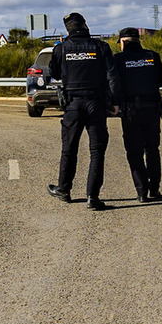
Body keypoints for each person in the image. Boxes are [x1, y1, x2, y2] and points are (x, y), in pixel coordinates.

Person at [47, 12, 120, 210]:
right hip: (95, 103)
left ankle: (64, 189)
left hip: (73, 104)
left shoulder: (61, 49)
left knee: (69, 149)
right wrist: (114, 102)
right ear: (85, 25)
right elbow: (112, 76)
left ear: (67, 29)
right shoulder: (100, 47)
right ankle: (92, 197)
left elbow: (53, 74)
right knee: (97, 152)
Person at [114, 27, 162, 202]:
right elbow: (161, 81)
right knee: (152, 150)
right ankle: (155, 189)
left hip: (131, 112)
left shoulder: (118, 60)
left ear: (122, 42)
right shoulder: (153, 56)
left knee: (134, 152)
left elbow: (114, 85)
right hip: (152, 109)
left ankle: (142, 191)